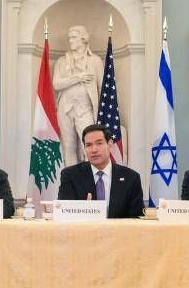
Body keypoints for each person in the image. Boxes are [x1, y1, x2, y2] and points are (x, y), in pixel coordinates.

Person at [58, 124, 143, 219]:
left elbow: (137, 218)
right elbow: (63, 215)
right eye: (88, 145)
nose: (94, 150)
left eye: (99, 143)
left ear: (110, 144)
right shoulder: (70, 175)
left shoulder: (131, 178)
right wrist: (82, 211)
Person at [53, 24, 104, 166]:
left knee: (90, 145)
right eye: (69, 38)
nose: (70, 40)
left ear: (83, 38)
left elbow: (102, 87)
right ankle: (71, 178)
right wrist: (78, 78)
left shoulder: (95, 61)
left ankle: (90, 177)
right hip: (65, 108)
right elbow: (56, 84)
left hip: (85, 108)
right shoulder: (62, 61)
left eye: (74, 37)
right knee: (68, 146)